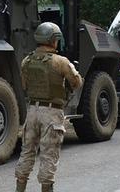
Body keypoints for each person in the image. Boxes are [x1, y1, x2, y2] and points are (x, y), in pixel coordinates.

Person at [15, 22, 83, 192]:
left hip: (32, 111)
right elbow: (76, 83)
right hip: (52, 113)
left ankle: (19, 189)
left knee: (27, 152)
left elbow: (24, 85)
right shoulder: (60, 61)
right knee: (49, 155)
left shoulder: (26, 60)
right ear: (53, 40)